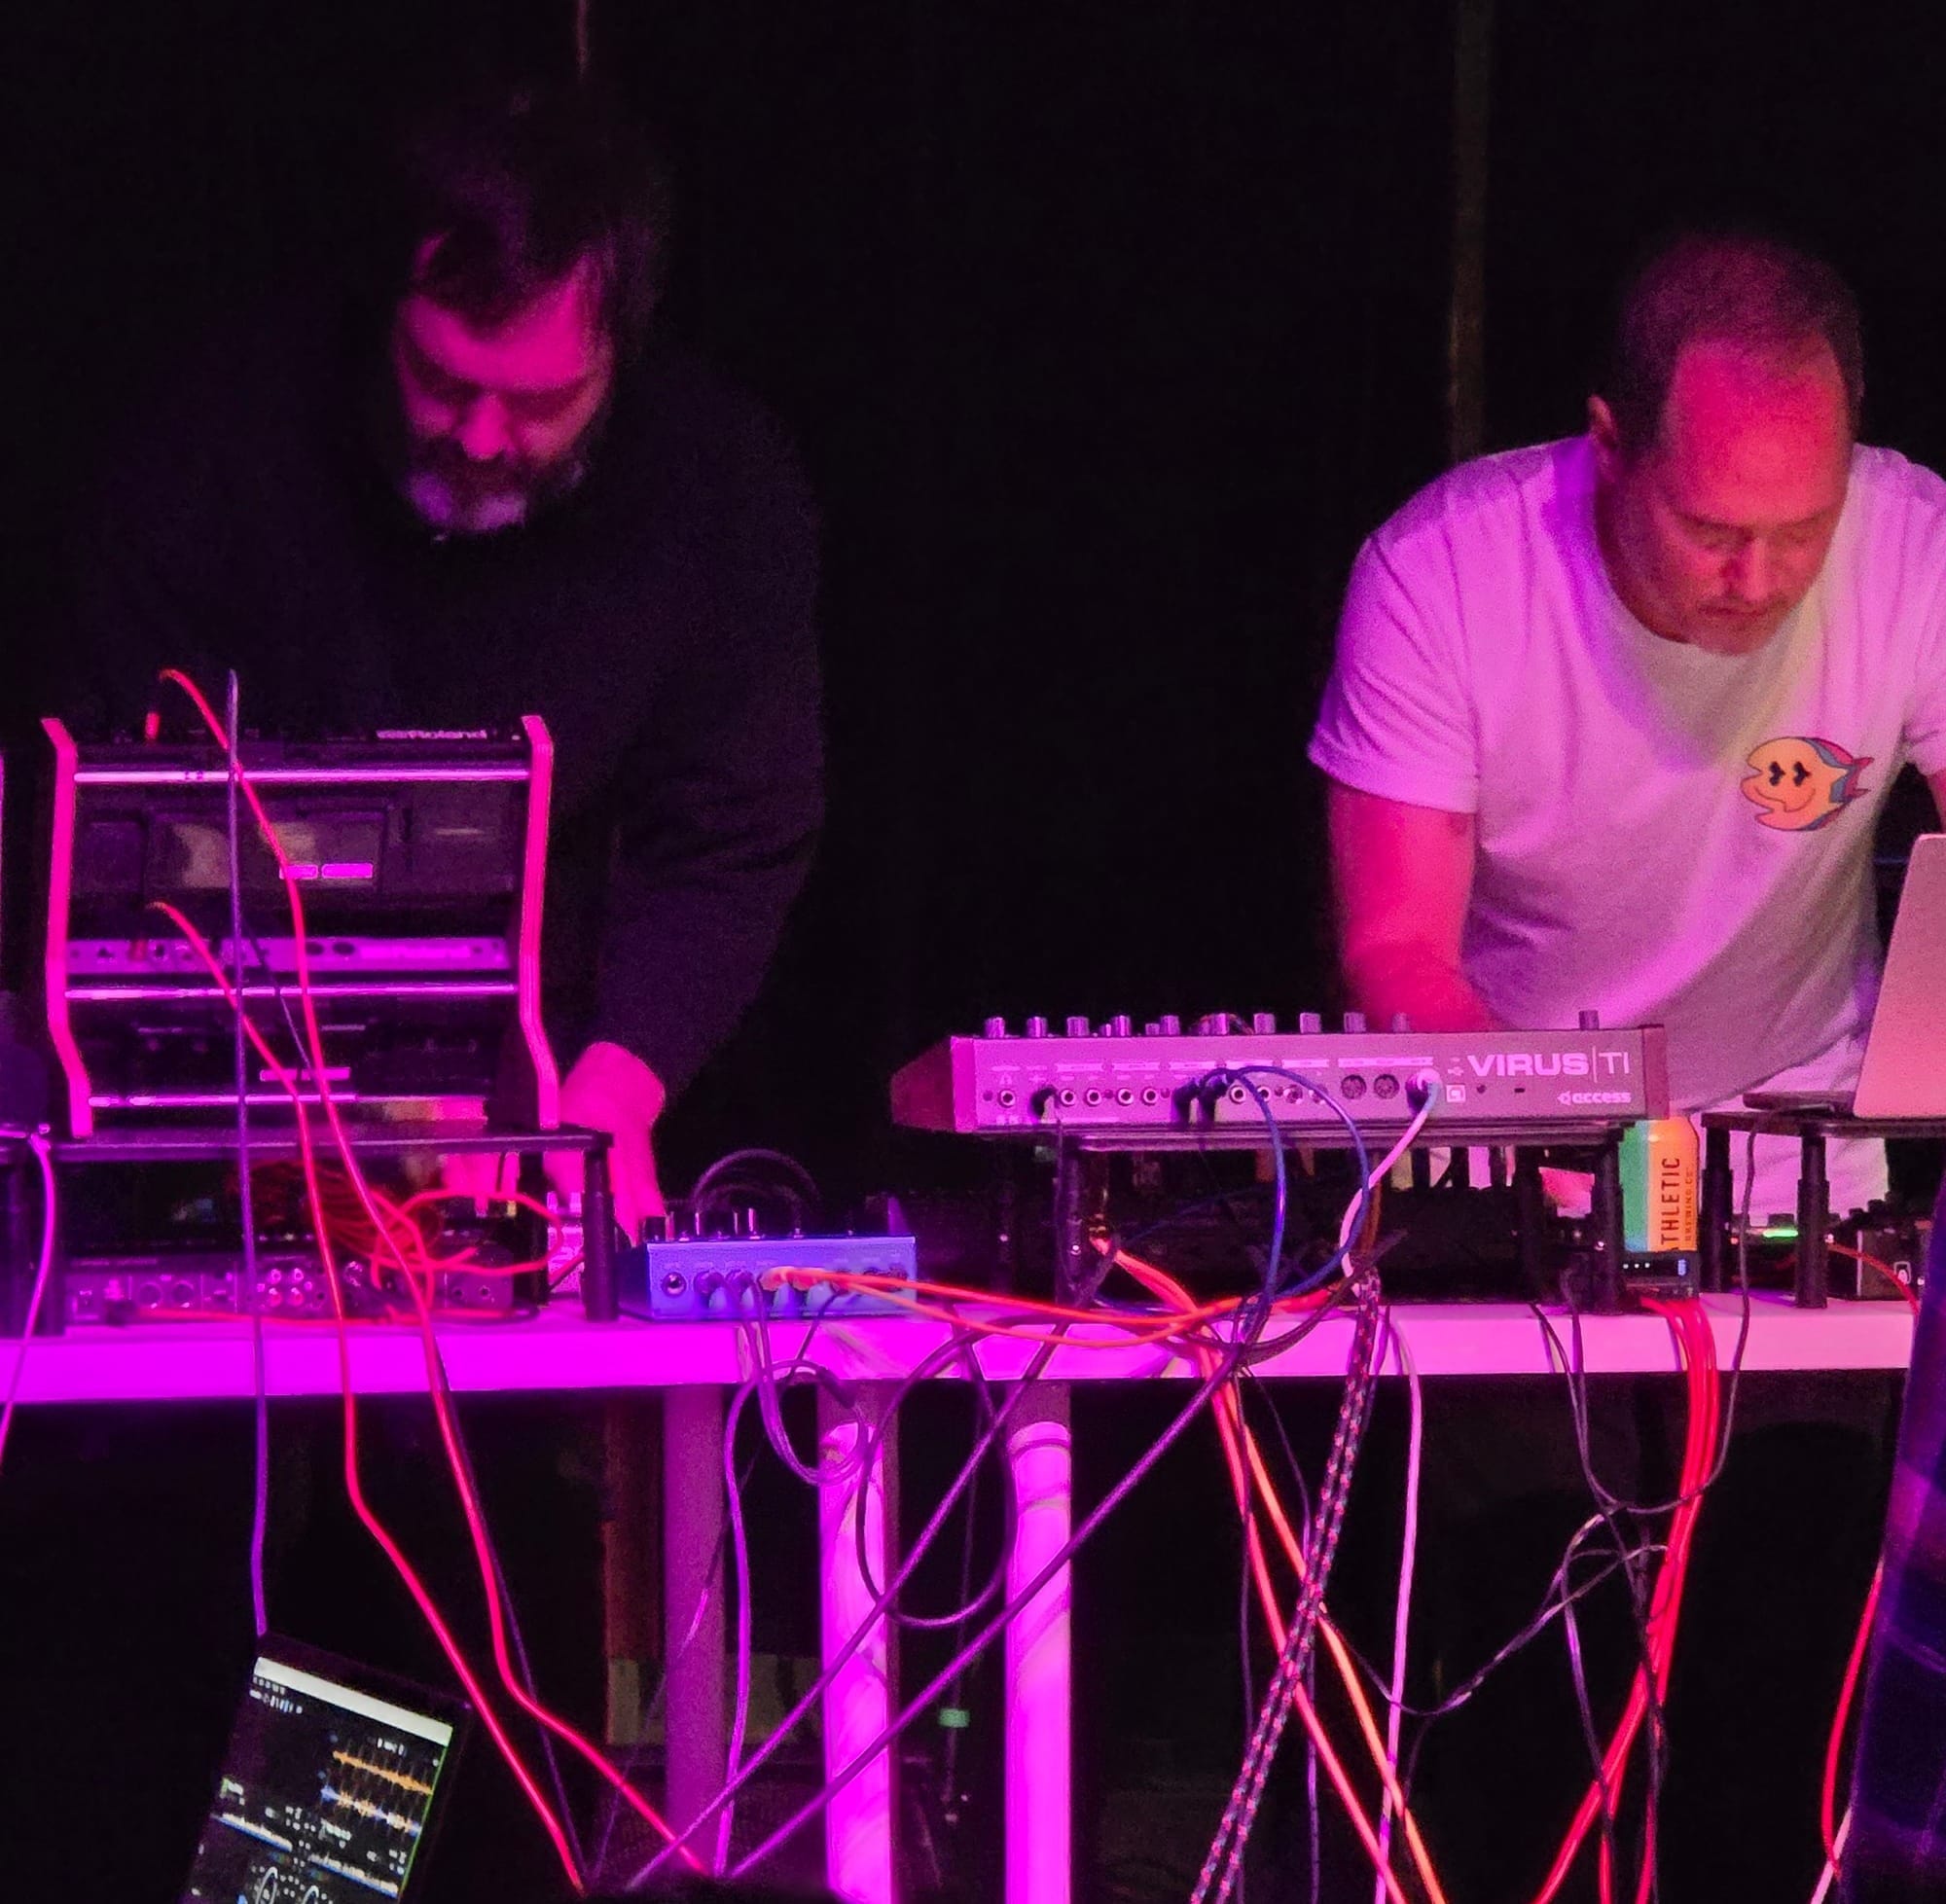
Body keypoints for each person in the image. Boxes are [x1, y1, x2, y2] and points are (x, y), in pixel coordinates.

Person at [62, 77, 824, 1239]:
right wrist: (368, 1101)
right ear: (390, 305)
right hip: (224, 1083)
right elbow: (122, 817)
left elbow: (730, 834)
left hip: (543, 1088)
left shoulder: (721, 492)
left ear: (622, 352)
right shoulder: (211, 445)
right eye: (440, 380)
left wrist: (610, 1092)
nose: (478, 437)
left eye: (539, 402)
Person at [1308, 231, 1946, 1216]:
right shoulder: (1439, 574)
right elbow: (1397, 948)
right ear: (1609, 446)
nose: (1757, 580)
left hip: (1799, 1134)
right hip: (1508, 1135)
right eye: (1710, 531)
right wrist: (1555, 1131)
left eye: (1802, 531)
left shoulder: (1917, 545)